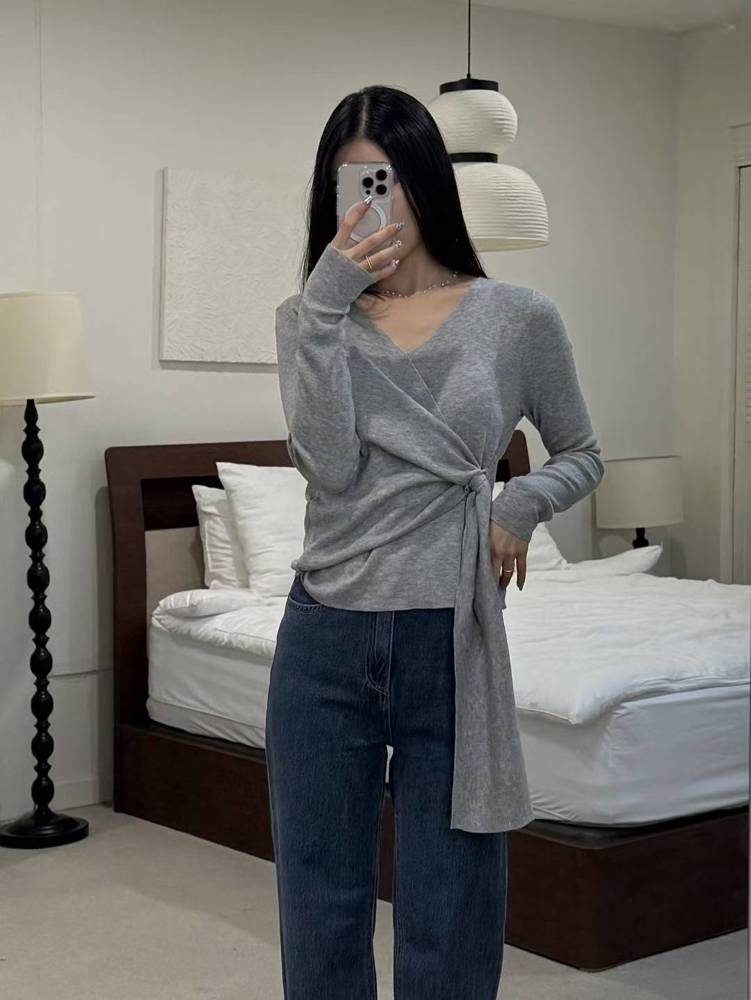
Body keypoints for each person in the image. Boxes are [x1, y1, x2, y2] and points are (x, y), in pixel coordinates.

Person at [265, 84, 605, 999]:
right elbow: (330, 469)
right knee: (319, 900)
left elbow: (580, 453)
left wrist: (517, 503)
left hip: (449, 634)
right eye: (351, 185)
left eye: (387, 179)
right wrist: (325, 309)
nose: (371, 203)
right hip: (325, 630)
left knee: (451, 901)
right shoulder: (306, 320)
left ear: (426, 181)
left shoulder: (517, 316)